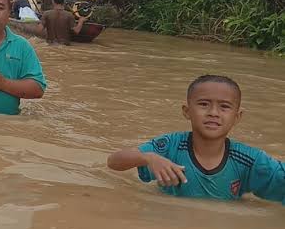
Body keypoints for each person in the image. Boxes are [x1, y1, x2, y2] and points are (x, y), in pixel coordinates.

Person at [107, 75, 284, 204]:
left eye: (224, 107)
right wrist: (148, 158)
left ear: (237, 117)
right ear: (187, 111)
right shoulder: (170, 146)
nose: (213, 113)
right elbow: (113, 161)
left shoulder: (248, 160)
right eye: (203, 104)